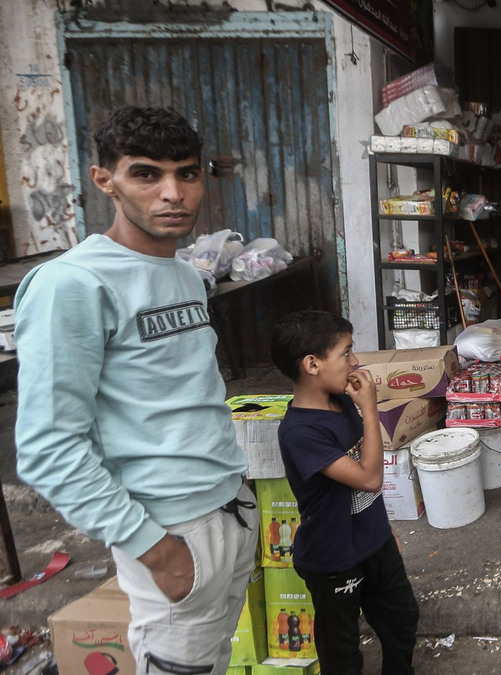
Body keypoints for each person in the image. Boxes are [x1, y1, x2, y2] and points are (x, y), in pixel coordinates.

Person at [13, 105, 258, 673]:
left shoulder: (185, 273)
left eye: (187, 174)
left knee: (215, 659)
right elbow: (49, 449)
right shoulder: (72, 285)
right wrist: (155, 549)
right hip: (170, 531)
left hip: (230, 511)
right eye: (147, 174)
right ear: (106, 181)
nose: (173, 193)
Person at [271, 310, 420, 675]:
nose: (356, 363)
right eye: (346, 353)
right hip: (333, 558)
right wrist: (369, 408)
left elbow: (366, 481)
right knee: (342, 654)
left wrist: (384, 529)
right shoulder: (300, 432)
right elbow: (369, 478)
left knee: (402, 620)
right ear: (312, 364)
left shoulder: (341, 404)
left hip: (374, 541)